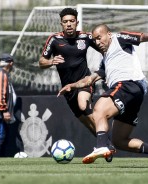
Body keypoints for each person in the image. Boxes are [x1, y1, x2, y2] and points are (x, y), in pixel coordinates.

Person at [58, 24, 148, 168]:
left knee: (99, 110)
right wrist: (72, 85)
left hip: (128, 84)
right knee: (119, 140)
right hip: (135, 94)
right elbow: (89, 80)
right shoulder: (105, 60)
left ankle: (102, 146)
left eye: (99, 38)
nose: (97, 42)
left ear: (108, 34)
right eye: (95, 40)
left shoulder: (119, 39)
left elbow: (143, 36)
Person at [39, 8, 100, 137]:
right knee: (87, 123)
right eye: (65, 21)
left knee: (83, 105)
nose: (68, 24)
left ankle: (103, 132)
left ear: (77, 22)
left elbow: (104, 49)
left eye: (71, 21)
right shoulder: (54, 39)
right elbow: (41, 61)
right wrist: (51, 61)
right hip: (68, 89)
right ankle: (106, 143)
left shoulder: (86, 37)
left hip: (84, 82)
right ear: (61, 23)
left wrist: (104, 70)